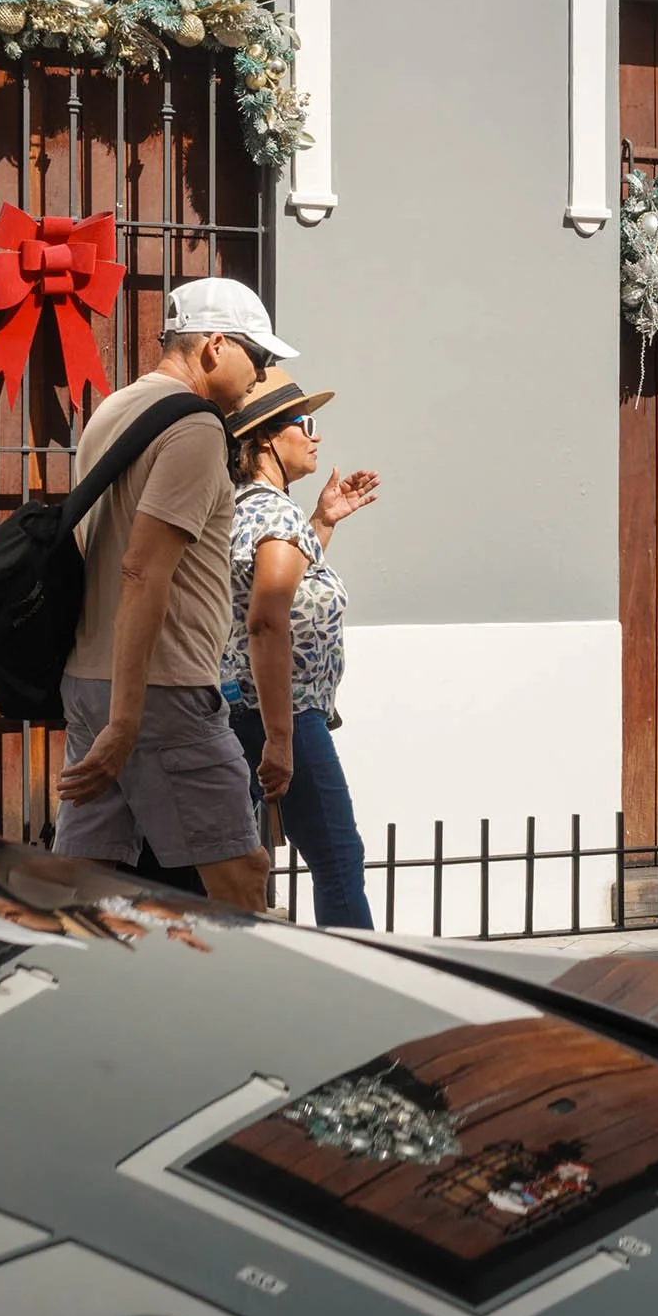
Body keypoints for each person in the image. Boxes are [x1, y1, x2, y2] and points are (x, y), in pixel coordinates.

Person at [52, 276, 287, 913]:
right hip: (164, 689)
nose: (260, 375)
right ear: (215, 346)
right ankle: (243, 987)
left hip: (93, 677)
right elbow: (142, 570)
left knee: (86, 882)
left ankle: (68, 974)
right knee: (241, 876)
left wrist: (116, 716)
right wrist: (127, 721)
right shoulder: (196, 428)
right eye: (258, 356)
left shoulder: (114, 409)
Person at [220, 368, 381, 929]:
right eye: (306, 424)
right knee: (338, 858)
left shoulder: (251, 507)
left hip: (247, 707)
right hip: (284, 712)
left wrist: (321, 521)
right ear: (268, 437)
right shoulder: (274, 515)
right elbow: (267, 622)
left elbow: (285, 590)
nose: (318, 436)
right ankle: (355, 975)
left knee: (240, 860)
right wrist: (282, 740)